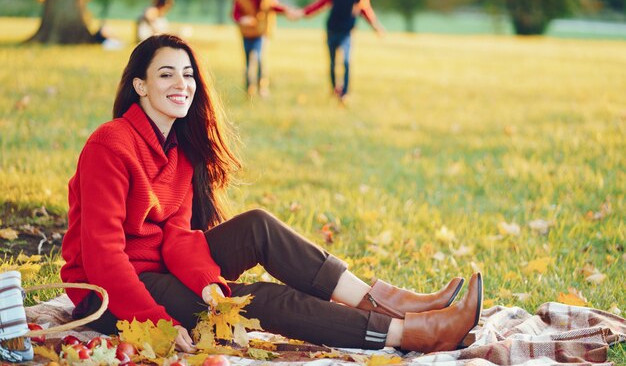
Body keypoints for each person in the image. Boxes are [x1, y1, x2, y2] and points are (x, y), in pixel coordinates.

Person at [60, 34, 483, 354]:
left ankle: (391, 302)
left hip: (161, 271)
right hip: (112, 295)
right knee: (257, 300)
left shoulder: (178, 151)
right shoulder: (110, 145)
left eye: (188, 74)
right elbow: (103, 257)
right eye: (166, 74)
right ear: (140, 86)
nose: (182, 84)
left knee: (257, 225)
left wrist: (208, 284)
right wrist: (157, 323)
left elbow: (178, 236)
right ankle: (410, 333)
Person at [296, 0, 384, 105]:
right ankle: (333, 89)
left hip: (347, 32)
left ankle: (344, 93)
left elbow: (365, 10)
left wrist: (375, 26)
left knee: (346, 61)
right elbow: (320, 4)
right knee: (332, 62)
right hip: (332, 30)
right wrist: (303, 13)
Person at [229, 0, 291, 98]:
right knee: (247, 62)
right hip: (246, 34)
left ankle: (262, 87)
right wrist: (242, 19)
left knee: (258, 59)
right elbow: (235, 14)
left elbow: (275, 7)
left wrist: (287, 11)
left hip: (261, 33)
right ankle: (248, 88)